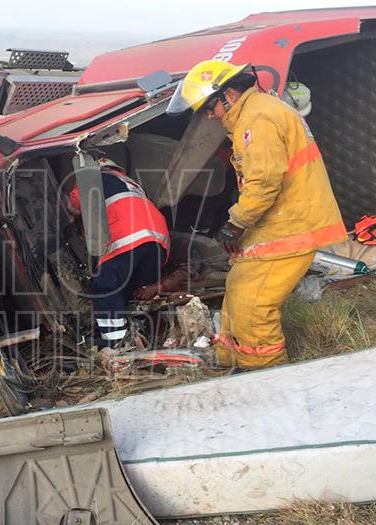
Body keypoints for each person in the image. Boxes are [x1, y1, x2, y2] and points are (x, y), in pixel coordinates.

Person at [166, 61, 346, 369]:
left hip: (291, 225)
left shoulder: (257, 119)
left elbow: (263, 183)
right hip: (280, 220)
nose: (210, 115)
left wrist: (236, 223)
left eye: (210, 107)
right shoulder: (257, 112)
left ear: (229, 95)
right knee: (238, 288)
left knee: (254, 305)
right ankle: (230, 359)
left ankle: (264, 372)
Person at [67, 158, 170, 352]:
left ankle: (117, 345)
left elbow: (74, 204)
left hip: (129, 235)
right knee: (138, 293)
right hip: (158, 239)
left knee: (105, 287)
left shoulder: (93, 177)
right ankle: (143, 337)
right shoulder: (132, 183)